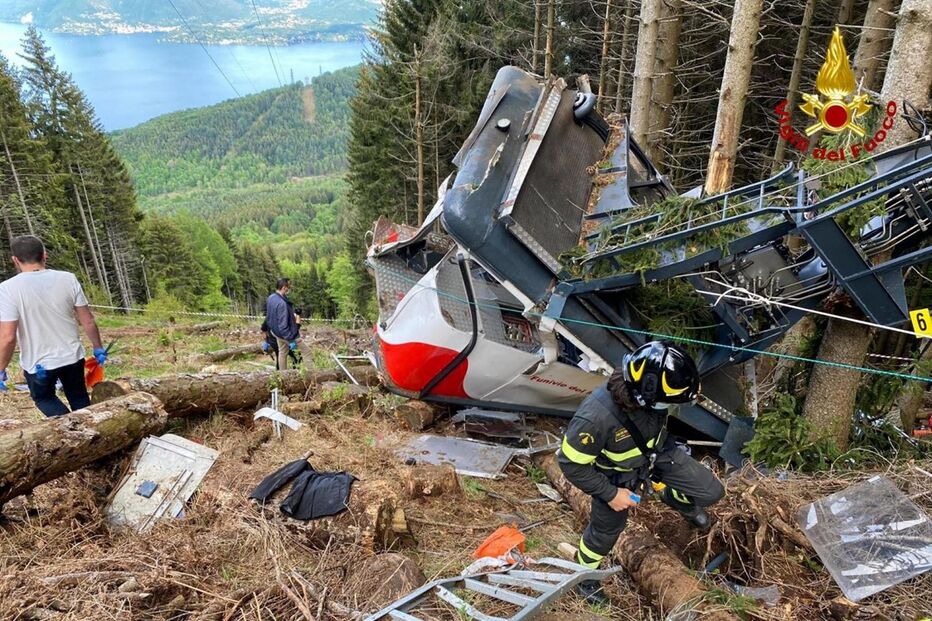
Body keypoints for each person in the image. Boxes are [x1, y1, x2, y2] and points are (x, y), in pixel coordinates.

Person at [558, 341, 724, 605]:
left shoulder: (650, 393)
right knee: (604, 533)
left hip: (657, 454)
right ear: (644, 395)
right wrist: (610, 494)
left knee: (711, 491)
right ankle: (584, 578)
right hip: (615, 476)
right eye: (665, 404)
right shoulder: (595, 419)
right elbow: (570, 463)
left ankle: (674, 498)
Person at [0, 235, 108, 417]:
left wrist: (1, 368)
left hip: (38, 364)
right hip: (72, 356)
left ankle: (71, 429)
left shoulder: (7, 289)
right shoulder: (68, 279)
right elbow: (88, 320)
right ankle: (88, 429)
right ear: (44, 255)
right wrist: (98, 348)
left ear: (15, 260)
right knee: (79, 396)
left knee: (45, 399)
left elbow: (8, 337)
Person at [265, 277, 312, 370]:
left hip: (276, 332)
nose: (288, 289)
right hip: (286, 334)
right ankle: (311, 375)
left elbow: (271, 316)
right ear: (283, 288)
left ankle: (283, 376)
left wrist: (292, 314)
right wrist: (291, 340)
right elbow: (283, 325)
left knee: (282, 352)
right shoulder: (282, 303)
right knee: (307, 352)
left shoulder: (271, 297)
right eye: (288, 287)